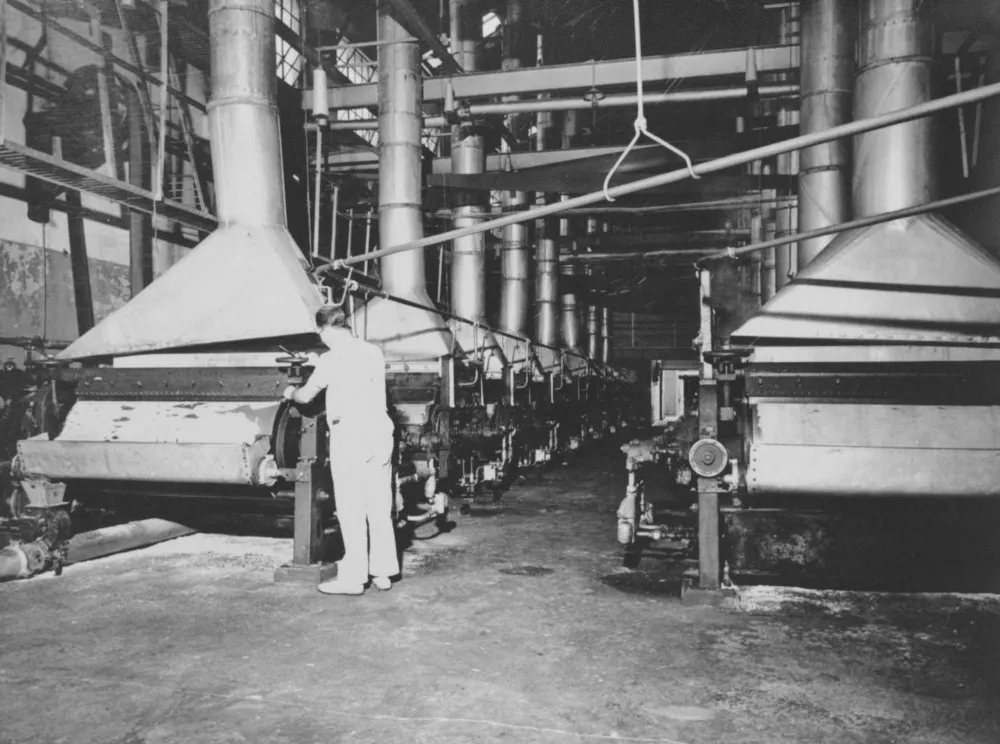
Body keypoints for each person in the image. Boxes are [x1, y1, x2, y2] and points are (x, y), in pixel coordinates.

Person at [283, 306, 399, 596]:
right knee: (379, 507)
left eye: (321, 333)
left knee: (351, 509)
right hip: (380, 433)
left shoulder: (331, 359)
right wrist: (320, 362)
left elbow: (306, 396)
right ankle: (383, 572)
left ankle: (354, 579)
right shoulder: (373, 352)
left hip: (351, 435)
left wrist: (290, 393)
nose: (321, 339)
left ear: (327, 330)